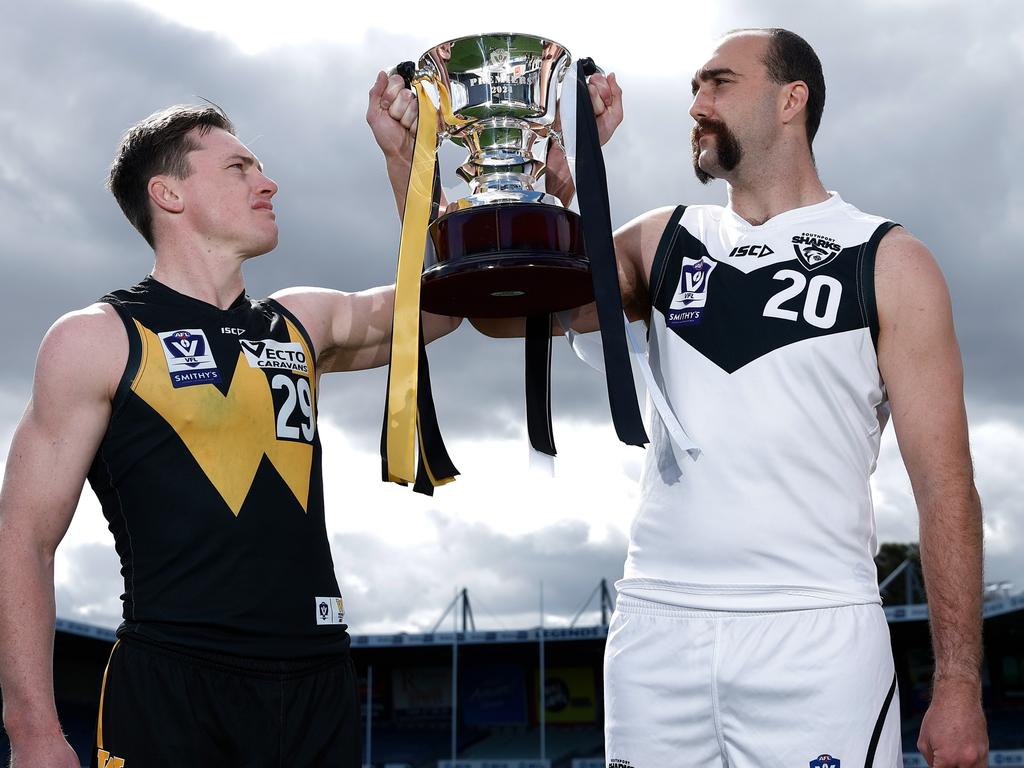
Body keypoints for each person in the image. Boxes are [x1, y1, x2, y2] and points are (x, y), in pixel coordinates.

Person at [370, 28, 988, 767]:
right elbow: (502, 311)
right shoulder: (665, 238)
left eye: (718, 83)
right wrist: (483, 185)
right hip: (657, 631)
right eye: (695, 86)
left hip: (812, 630)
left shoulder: (887, 259)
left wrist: (957, 680)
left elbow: (945, 484)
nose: (697, 103)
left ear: (793, 100)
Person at [0, 104, 459, 767]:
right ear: (169, 193)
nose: (266, 184)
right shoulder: (96, 338)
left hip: (317, 683)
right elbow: (24, 536)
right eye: (240, 168)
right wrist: (34, 732)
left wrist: (409, 165)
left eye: (262, 170)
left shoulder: (302, 322)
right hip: (173, 685)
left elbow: (444, 303)